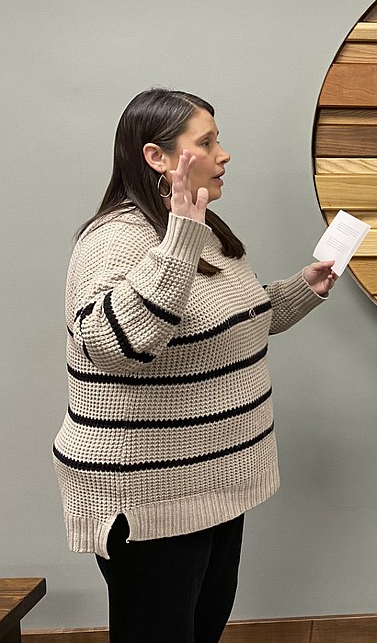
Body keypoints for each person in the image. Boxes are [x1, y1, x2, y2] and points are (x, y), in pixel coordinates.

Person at [53, 88, 338, 643]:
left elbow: (232, 324)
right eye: (206, 142)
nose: (223, 153)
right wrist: (182, 235)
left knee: (201, 630)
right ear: (157, 158)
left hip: (212, 483)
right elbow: (118, 343)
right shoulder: (114, 239)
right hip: (148, 494)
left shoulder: (204, 231)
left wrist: (302, 289)